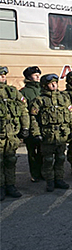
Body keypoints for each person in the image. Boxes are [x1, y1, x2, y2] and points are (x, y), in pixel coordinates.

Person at [30, 74, 72, 192]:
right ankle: (50, 181)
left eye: (55, 83)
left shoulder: (63, 98)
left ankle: (59, 179)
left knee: (61, 158)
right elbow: (33, 118)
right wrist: (36, 133)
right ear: (45, 86)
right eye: (51, 83)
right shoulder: (39, 100)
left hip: (61, 134)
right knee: (48, 160)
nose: (54, 85)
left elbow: (71, 115)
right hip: (47, 135)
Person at [0, 67, 29, 201]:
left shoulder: (12, 92)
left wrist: (25, 127)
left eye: (4, 76)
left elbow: (23, 109)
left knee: (11, 160)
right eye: (0, 76)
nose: (3, 78)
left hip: (11, 133)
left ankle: (10, 185)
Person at [20, 66, 43, 182]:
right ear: (28, 77)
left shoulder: (42, 89)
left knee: (43, 150)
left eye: (38, 74)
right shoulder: (24, 92)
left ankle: (44, 172)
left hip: (43, 125)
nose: (38, 76)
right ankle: (35, 174)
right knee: (32, 152)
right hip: (30, 125)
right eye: (35, 75)